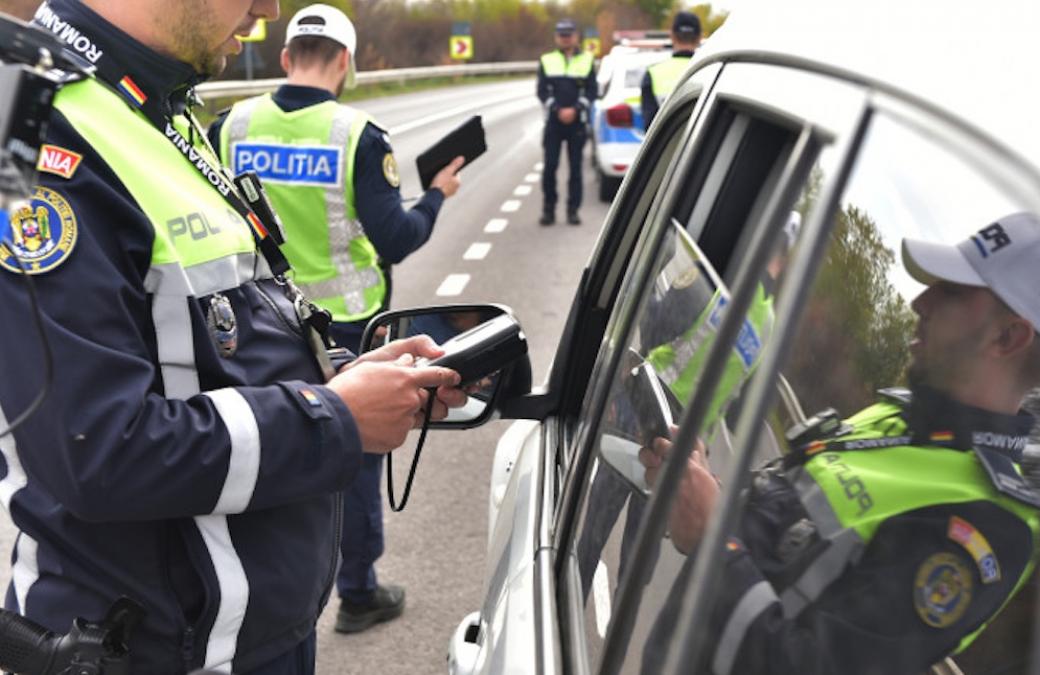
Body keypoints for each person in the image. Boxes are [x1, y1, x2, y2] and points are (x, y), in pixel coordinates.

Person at [0, 1, 466, 673]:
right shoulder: (28, 124)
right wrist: (334, 416)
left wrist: (341, 376)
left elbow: (204, 344)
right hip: (156, 651)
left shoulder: (150, 101)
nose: (268, 8)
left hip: (248, 632)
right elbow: (94, 449)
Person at [640, 213, 1040, 674]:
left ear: (1007, 336)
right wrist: (703, 493)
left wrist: (713, 542)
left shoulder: (990, 524)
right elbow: (783, 547)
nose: (920, 301)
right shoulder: (899, 416)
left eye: (952, 291)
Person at [207, 4, 464, 635]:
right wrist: (437, 195)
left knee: (265, 443)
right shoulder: (358, 136)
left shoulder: (228, 125)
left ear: (286, 56)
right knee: (352, 453)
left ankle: (261, 589)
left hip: (248, 323)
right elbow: (397, 237)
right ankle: (358, 592)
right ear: (345, 62)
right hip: (344, 330)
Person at [536, 18, 597, 226]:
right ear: (556, 37)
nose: (565, 38)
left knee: (575, 169)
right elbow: (542, 91)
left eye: (569, 35)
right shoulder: (547, 60)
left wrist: (576, 109)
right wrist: (557, 109)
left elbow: (592, 91)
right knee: (550, 167)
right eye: (562, 35)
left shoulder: (587, 60)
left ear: (576, 36)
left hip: (577, 124)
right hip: (554, 123)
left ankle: (573, 210)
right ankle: (549, 210)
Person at [641, 11, 702, 131]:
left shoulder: (653, 73)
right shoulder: (712, 70)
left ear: (672, 36)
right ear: (699, 38)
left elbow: (650, 126)